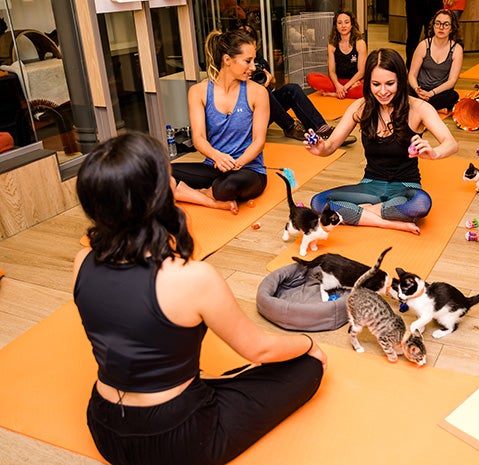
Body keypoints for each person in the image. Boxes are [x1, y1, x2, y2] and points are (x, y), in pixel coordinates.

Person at [73, 132, 326, 465]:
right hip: (177, 442)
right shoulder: (190, 277)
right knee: (307, 369)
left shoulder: (81, 262)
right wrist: (309, 345)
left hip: (104, 427)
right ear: (159, 196)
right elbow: (259, 349)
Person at [305, 48, 458, 235]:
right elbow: (330, 146)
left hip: (405, 189)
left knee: (421, 203)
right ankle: (389, 222)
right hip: (369, 186)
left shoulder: (419, 108)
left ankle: (362, 213)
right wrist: (321, 148)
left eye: (390, 83)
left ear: (400, 81)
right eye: (376, 84)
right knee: (318, 202)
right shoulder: (360, 107)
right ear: (367, 83)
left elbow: (451, 143)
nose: (383, 91)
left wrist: (435, 153)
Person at [171, 29, 269, 214]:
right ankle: (211, 200)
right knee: (161, 172)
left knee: (226, 187)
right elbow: (199, 138)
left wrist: (237, 163)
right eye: (247, 61)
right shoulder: (198, 92)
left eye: (253, 61)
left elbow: (259, 141)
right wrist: (217, 157)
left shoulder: (257, 92)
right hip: (214, 166)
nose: (254, 67)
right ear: (227, 60)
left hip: (249, 170)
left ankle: (195, 192)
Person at [251, 46, 356, 146]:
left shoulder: (258, 59)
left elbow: (272, 83)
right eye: (248, 61)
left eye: (255, 49)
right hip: (251, 119)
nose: (251, 65)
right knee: (263, 92)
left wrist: (270, 80)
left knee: (292, 89)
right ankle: (290, 126)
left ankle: (321, 129)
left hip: (265, 111)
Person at [408, 9, 464, 113]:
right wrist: (417, 89)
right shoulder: (423, 45)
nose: (441, 27)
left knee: (453, 96)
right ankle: (434, 108)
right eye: (438, 23)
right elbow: (412, 74)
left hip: (439, 92)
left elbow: (452, 81)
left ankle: (418, 106)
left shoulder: (456, 49)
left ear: (452, 28)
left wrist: (431, 93)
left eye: (446, 24)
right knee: (403, 91)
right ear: (433, 26)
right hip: (420, 90)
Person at [306, 10, 367, 99]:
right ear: (336, 26)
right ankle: (344, 92)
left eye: (346, 22)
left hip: (355, 82)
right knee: (311, 78)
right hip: (338, 81)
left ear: (352, 24)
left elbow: (361, 72)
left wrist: (346, 87)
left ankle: (335, 94)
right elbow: (331, 71)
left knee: (367, 88)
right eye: (339, 23)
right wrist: (338, 85)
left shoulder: (360, 43)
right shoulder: (332, 44)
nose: (343, 26)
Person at [405, 0, 444, 67]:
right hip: (414, 4)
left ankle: (432, 66)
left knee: (433, 36)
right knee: (413, 36)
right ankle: (411, 68)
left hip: (434, 3)